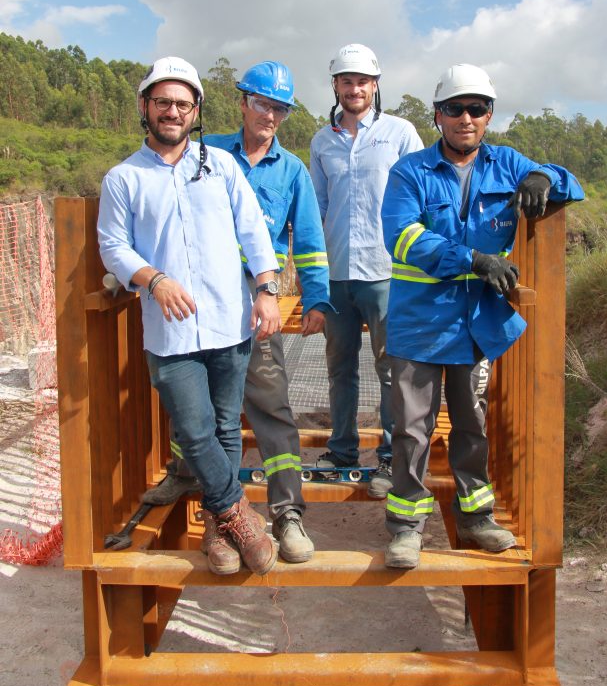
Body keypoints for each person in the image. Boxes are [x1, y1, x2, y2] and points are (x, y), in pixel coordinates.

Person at [381, 63, 584, 568]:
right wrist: (472, 259)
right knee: (411, 429)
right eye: (455, 108)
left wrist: (543, 175)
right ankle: (406, 527)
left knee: (472, 424)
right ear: (438, 116)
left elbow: (570, 184)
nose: (466, 118)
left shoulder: (507, 163)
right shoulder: (410, 172)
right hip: (419, 324)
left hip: (476, 324)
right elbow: (402, 237)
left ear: (489, 115)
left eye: (477, 108)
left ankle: (475, 517)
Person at [97, 56, 281, 576]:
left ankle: (216, 534)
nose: (172, 112)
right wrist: (153, 279)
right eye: (163, 102)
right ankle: (240, 517)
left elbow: (253, 230)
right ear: (144, 106)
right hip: (170, 331)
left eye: (182, 103)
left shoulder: (219, 165)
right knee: (196, 432)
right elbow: (113, 245)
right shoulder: (123, 178)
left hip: (229, 320)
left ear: (195, 110)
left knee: (226, 428)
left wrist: (267, 290)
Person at [202, 60, 333, 562]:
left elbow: (310, 243)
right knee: (207, 409)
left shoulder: (292, 170)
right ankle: (218, 515)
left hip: (260, 301)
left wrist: (316, 298)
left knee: (272, 405)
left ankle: (287, 513)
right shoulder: (207, 152)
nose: (270, 116)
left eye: (280, 108)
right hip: (205, 300)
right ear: (242, 102)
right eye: (262, 104)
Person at [309, 44, 423, 498]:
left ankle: (392, 456)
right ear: (335, 86)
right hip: (337, 274)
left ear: (375, 85)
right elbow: (318, 208)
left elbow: (421, 193)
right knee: (339, 369)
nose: (354, 89)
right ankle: (342, 450)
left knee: (391, 369)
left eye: (362, 81)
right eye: (346, 81)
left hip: (386, 271)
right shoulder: (322, 141)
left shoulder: (400, 133)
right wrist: (312, 275)